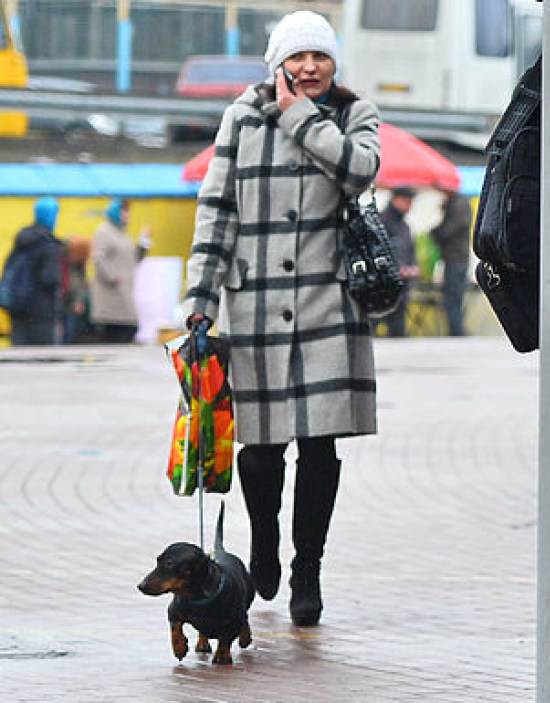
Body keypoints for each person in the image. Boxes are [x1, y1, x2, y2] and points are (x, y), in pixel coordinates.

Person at [181, 8, 381, 626]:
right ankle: (263, 541)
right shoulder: (241, 116)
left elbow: (361, 169)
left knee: (320, 448)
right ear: (278, 64)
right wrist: (199, 302)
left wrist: (300, 116)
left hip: (329, 304)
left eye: (320, 56)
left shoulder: (355, 115)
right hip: (257, 304)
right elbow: (216, 213)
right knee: (262, 451)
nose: (309, 66)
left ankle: (307, 570)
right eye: (297, 57)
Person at [2, 197, 64, 346]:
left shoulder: (22, 239)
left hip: (19, 306)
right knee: (42, 357)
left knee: (20, 354)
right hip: (42, 310)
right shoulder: (48, 244)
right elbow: (50, 278)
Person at [90, 198, 151, 344]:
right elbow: (98, 258)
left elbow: (134, 259)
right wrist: (112, 277)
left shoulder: (124, 235)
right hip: (112, 297)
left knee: (128, 329)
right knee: (119, 332)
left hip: (125, 293)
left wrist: (144, 242)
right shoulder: (104, 231)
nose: (127, 215)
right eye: (124, 211)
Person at [377, 186, 419, 337]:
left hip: (402, 284)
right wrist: (396, 268)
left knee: (398, 326)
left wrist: (413, 267)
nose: (410, 205)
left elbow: (410, 250)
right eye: (407, 201)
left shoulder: (404, 225)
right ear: (396, 200)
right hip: (384, 284)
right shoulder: (381, 221)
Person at [431, 188, 471, 337]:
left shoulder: (458, 205)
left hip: (456, 258)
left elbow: (448, 231)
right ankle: (456, 331)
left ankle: (457, 332)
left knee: (452, 298)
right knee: (455, 298)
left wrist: (435, 232)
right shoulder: (458, 204)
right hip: (458, 258)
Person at [63, 237, 91, 343]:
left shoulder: (79, 264)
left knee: (69, 333)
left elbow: (80, 283)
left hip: (69, 305)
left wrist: (79, 301)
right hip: (62, 303)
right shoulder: (61, 261)